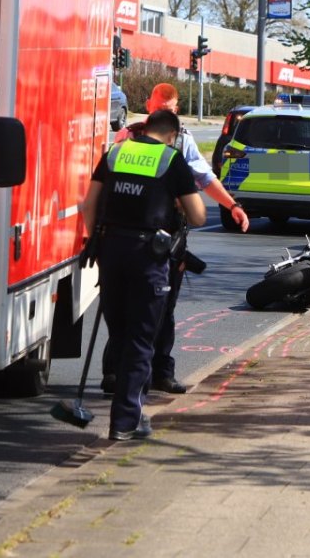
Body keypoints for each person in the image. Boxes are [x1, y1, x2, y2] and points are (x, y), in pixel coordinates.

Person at [100, 83, 250, 396]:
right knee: (125, 311)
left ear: (176, 110)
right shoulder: (125, 137)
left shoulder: (183, 141)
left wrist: (232, 205)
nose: (164, 113)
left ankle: (159, 374)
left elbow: (205, 179)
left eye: (169, 109)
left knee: (163, 311)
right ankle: (117, 374)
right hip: (130, 234)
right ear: (149, 103)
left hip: (166, 239)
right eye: (160, 107)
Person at [80, 109, 206, 440]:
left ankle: (128, 412)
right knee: (140, 339)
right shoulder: (171, 159)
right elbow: (198, 216)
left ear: (144, 128)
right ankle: (125, 422)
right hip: (148, 258)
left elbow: (88, 204)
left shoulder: (116, 152)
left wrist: (96, 239)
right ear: (172, 135)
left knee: (120, 333)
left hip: (111, 253)